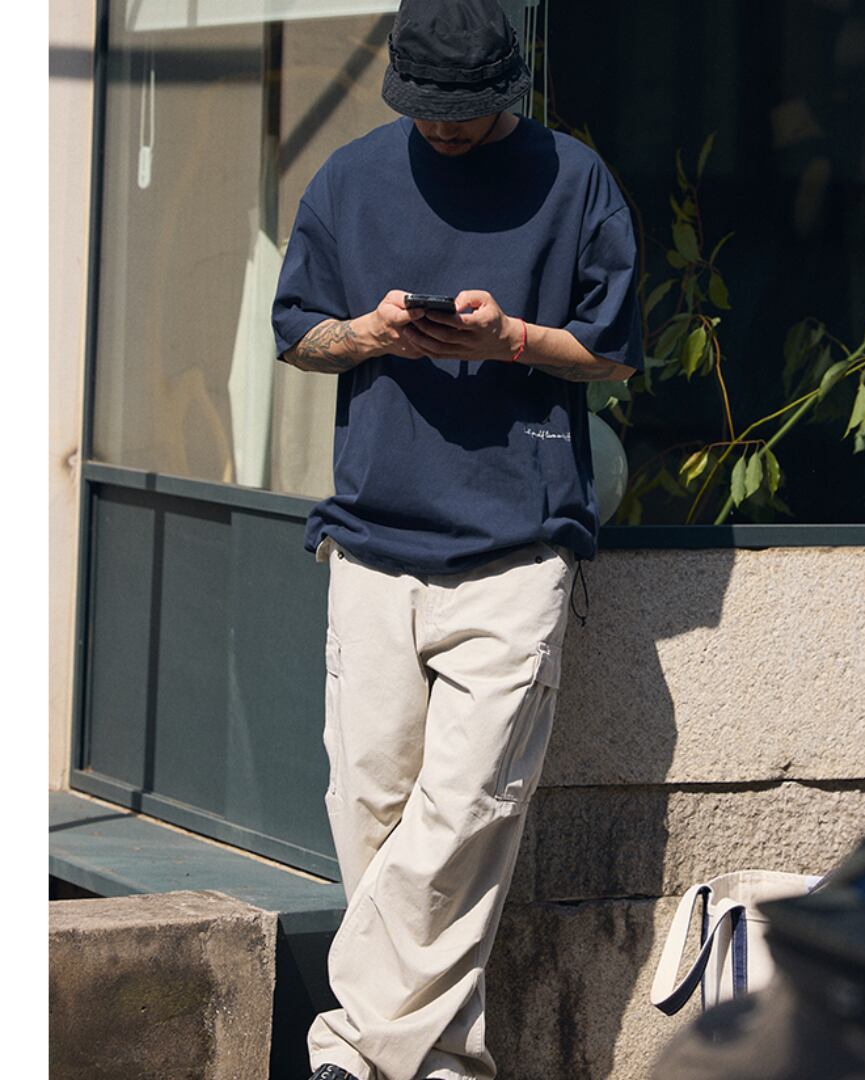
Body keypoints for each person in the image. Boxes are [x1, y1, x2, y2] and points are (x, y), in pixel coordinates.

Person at [270, 2, 643, 1077]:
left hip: (516, 546)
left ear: (506, 89)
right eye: (424, 109)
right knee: (371, 809)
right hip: (371, 539)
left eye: (463, 112)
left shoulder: (575, 181)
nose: (441, 128)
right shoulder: (348, 178)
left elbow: (614, 354)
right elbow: (298, 334)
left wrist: (512, 336)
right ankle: (436, 1063)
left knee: (468, 811)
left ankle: (353, 1047)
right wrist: (371, 333)